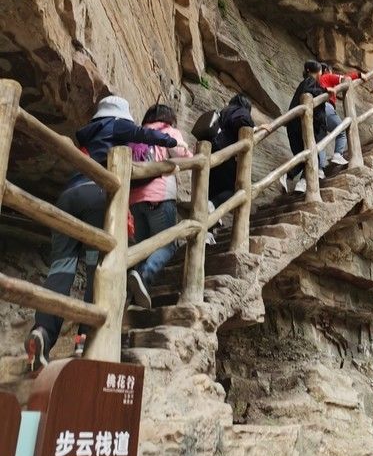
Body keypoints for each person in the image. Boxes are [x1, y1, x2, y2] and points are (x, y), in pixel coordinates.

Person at [25, 96, 177, 371]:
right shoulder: (117, 125)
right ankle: (86, 337)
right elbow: (144, 134)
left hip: (69, 196)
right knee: (97, 269)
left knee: (61, 268)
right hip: (97, 197)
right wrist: (170, 143)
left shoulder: (89, 132)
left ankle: (43, 332)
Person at [127, 104, 193, 310]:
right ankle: (143, 276)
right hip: (159, 197)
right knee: (166, 245)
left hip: (135, 201)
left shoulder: (139, 135)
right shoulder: (167, 131)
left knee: (144, 248)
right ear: (168, 117)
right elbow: (184, 155)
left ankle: (131, 296)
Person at [208, 95, 266, 206]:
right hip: (226, 154)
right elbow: (242, 120)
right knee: (238, 188)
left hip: (213, 152)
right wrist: (253, 128)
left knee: (215, 187)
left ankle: (211, 211)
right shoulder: (240, 111)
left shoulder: (223, 113)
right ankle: (211, 206)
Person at [280, 61, 327, 194]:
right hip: (301, 125)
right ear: (319, 72)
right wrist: (324, 91)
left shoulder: (305, 83)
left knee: (305, 157)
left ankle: (299, 183)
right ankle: (296, 180)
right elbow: (309, 92)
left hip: (295, 124)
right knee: (310, 157)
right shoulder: (310, 82)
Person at [318, 64, 362, 166]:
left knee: (321, 140)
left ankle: (320, 169)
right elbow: (345, 79)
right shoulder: (326, 76)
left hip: (316, 112)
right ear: (326, 70)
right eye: (331, 70)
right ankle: (338, 154)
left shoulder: (315, 82)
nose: (332, 73)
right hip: (326, 107)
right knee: (342, 130)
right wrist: (359, 75)